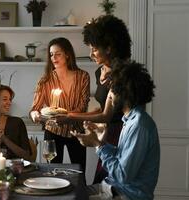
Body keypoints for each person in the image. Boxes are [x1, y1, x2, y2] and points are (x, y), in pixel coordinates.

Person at [71, 61, 160, 200]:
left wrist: (98, 145)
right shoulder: (131, 119)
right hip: (113, 188)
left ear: (125, 92)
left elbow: (122, 175)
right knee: (68, 192)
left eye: (112, 88)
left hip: (125, 195)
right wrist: (101, 141)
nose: (109, 94)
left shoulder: (138, 125)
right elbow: (122, 159)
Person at [66, 15, 132, 183]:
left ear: (109, 48)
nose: (91, 54)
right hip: (105, 133)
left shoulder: (122, 74)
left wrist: (70, 116)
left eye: (94, 49)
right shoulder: (99, 72)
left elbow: (107, 115)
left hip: (121, 135)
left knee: (112, 182)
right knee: (101, 185)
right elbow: (101, 109)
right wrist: (74, 113)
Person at [30, 37, 90, 170]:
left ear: (67, 54)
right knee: (53, 172)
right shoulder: (45, 80)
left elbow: (83, 106)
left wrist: (67, 117)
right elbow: (35, 108)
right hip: (53, 131)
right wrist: (35, 115)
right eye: (51, 54)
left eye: (58, 54)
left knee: (79, 172)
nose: (54, 58)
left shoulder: (83, 77)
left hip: (76, 132)